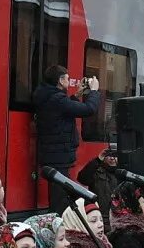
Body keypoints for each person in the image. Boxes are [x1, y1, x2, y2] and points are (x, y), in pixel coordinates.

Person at [33, 65, 101, 209]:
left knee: (60, 190)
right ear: (60, 80)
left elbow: (63, 110)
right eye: (67, 78)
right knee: (60, 195)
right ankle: (61, 223)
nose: (69, 81)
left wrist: (77, 95)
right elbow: (89, 109)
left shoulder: (46, 95)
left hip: (51, 152)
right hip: (59, 153)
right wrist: (94, 91)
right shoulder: (57, 99)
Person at [75, 143, 124, 224]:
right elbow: (82, 179)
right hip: (100, 217)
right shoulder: (96, 171)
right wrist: (97, 159)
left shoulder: (123, 173)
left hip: (119, 218)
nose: (112, 158)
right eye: (109, 155)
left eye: (115, 156)